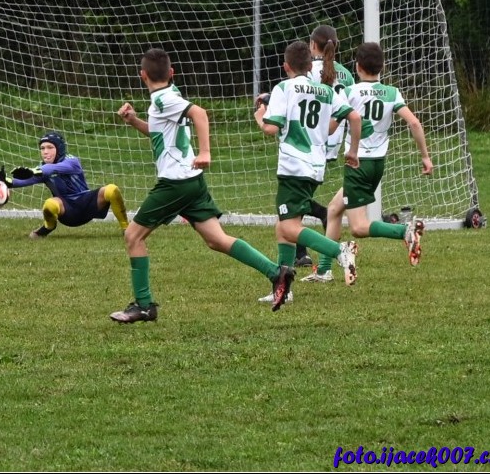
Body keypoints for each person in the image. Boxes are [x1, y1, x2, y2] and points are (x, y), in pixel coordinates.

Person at [110, 47, 296, 322]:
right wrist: (135, 120)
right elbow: (160, 133)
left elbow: (200, 113)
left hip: (175, 184)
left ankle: (144, 305)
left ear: (143, 75)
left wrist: (206, 151)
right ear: (172, 73)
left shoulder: (162, 99)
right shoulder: (171, 97)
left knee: (133, 236)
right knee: (217, 239)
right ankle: (276, 272)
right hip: (192, 183)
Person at [254, 40, 362, 299]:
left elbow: (271, 128)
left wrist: (260, 116)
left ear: (286, 66)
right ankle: (284, 288)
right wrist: (352, 151)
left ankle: (339, 250)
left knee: (288, 228)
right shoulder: (325, 90)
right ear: (309, 66)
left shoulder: (284, 88)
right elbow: (351, 118)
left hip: (293, 166)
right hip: (315, 167)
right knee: (284, 228)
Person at [317, 42, 432, 271]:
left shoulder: (349, 93)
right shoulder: (392, 92)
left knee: (359, 228)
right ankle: (323, 270)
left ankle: (404, 231)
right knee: (333, 209)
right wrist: (425, 157)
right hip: (377, 165)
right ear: (383, 67)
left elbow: (330, 128)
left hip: (356, 163)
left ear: (357, 67)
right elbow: (414, 122)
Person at [295, 24, 357, 272]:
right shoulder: (346, 75)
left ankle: (303, 254)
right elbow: (349, 111)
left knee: (290, 197)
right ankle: (319, 217)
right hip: (332, 144)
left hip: (308, 140)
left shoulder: (309, 72)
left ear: (312, 46)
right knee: (295, 196)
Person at [0, 131, 129, 239]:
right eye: (42, 148)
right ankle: (48, 227)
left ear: (59, 148)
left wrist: (34, 171)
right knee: (49, 204)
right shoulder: (41, 169)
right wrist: (4, 181)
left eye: (49, 147)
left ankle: (126, 228)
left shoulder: (71, 161)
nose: (45, 152)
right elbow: (22, 181)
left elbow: (52, 169)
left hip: (86, 203)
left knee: (111, 189)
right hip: (67, 212)